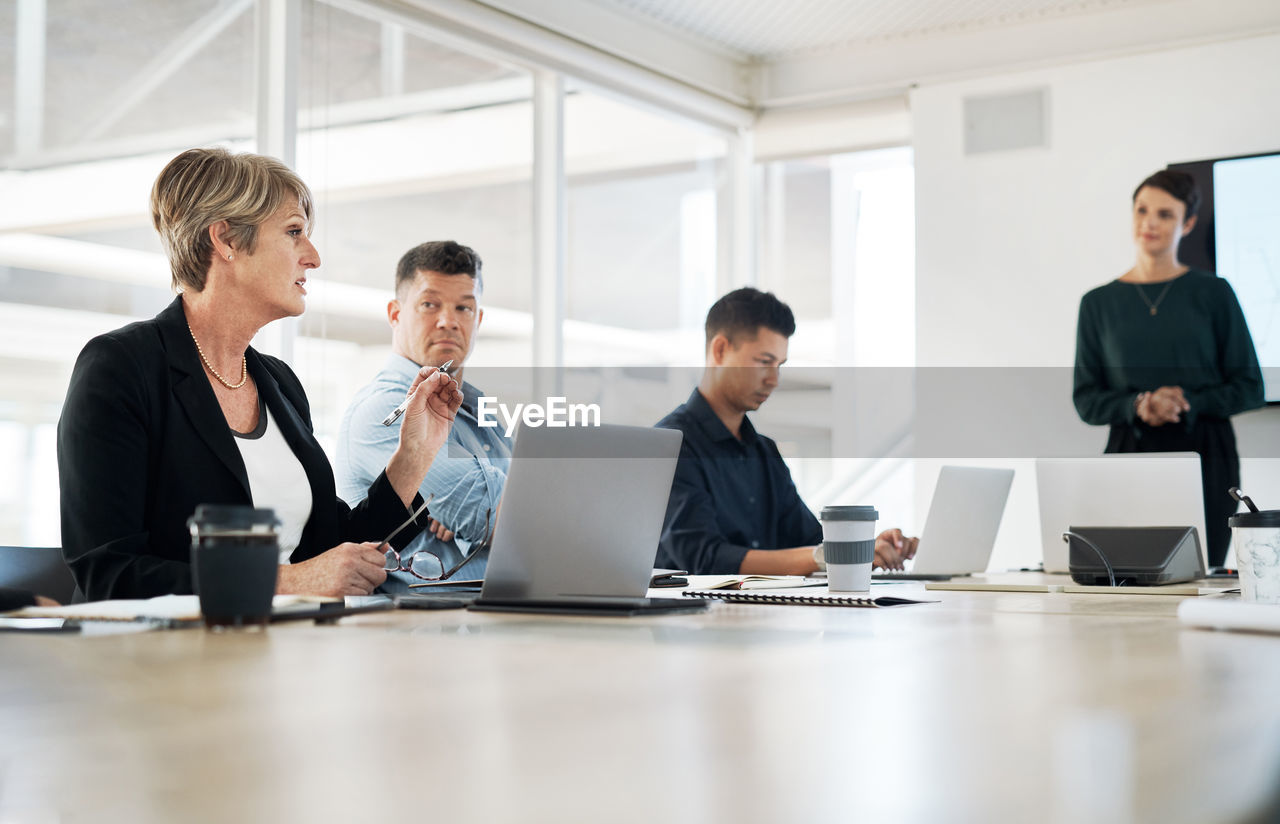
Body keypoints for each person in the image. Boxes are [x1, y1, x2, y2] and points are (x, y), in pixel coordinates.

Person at [57, 148, 462, 602]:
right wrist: (285, 583)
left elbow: (329, 550)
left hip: (285, 652)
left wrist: (414, 455)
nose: (313, 257)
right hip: (163, 663)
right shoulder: (120, 367)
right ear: (225, 240)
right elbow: (109, 574)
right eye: (294, 232)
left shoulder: (279, 383)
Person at [1073, 169, 1264, 567]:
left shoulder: (1215, 293)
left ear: (1188, 223)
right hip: (1129, 460)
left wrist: (1186, 402)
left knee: (1200, 577)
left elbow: (1250, 387)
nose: (1149, 223)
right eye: (1142, 210)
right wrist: (1140, 405)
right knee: (1127, 577)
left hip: (1207, 459)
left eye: (1165, 214)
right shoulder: (1097, 303)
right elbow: (1087, 400)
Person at [657, 287, 918, 576]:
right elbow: (704, 558)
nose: (774, 379)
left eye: (779, 365)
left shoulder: (764, 452)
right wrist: (834, 552)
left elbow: (809, 542)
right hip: (695, 616)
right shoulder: (668, 445)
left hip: (768, 614)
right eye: (764, 362)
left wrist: (866, 546)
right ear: (720, 350)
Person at [337, 241, 509, 591]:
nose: (449, 321)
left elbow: (531, 502)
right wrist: (496, 508)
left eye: (464, 307)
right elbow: (513, 518)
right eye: (430, 305)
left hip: (499, 619)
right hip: (420, 633)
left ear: (477, 319)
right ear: (395, 314)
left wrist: (498, 504)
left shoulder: (479, 411)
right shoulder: (383, 410)